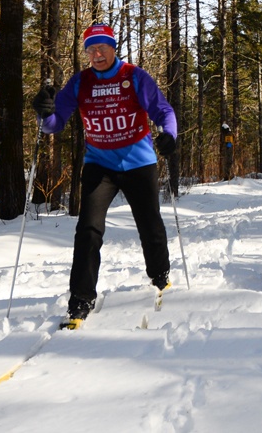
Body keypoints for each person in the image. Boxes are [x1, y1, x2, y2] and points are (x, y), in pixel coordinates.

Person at [32, 23, 179, 328]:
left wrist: (170, 135)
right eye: (90, 50)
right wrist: (44, 112)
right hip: (99, 164)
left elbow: (164, 111)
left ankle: (160, 275)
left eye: (102, 48)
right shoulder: (80, 82)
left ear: (114, 48)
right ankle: (81, 301)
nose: (97, 55)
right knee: (88, 230)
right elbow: (54, 125)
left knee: (150, 224)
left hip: (138, 162)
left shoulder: (134, 77)